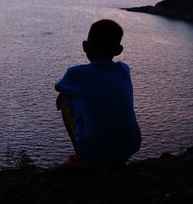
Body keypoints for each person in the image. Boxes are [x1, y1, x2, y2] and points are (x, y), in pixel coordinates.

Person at [55, 19, 141, 168]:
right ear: (118, 50)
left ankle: (82, 156)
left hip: (94, 152)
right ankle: (114, 159)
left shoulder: (76, 73)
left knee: (64, 97)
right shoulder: (123, 70)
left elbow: (58, 87)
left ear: (85, 46)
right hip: (129, 146)